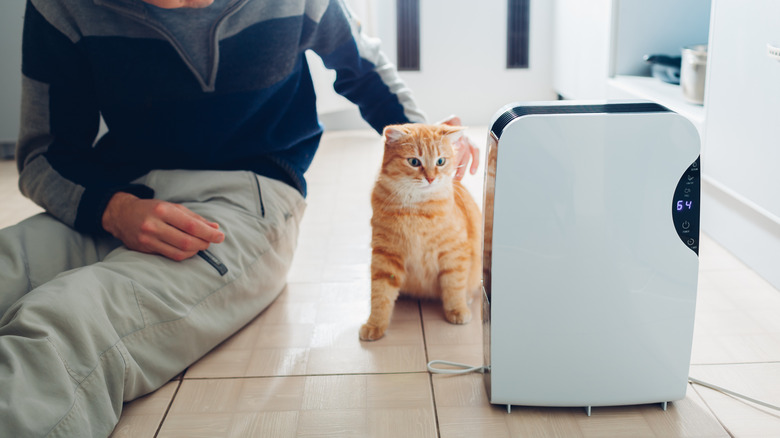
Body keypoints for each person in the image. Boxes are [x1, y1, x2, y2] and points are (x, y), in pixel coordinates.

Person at [1, 0, 479, 436]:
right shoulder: (61, 6)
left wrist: (431, 141)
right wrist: (112, 208)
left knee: (65, 323)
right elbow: (45, 156)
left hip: (247, 197)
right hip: (109, 192)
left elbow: (363, 70)